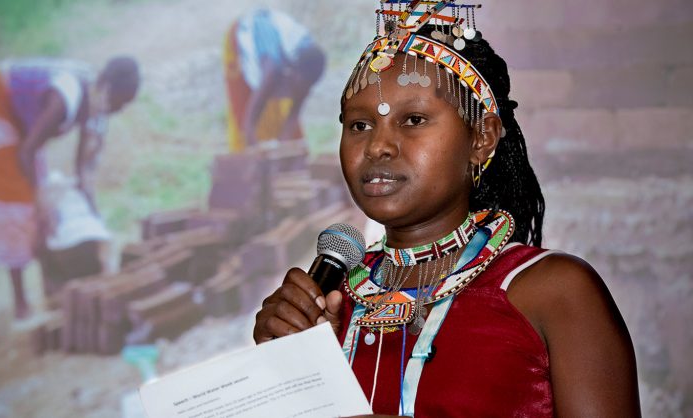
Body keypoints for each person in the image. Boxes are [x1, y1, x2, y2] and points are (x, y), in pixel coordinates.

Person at [253, 1, 640, 416]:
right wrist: (298, 372)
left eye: (414, 120)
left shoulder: (553, 291)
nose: (377, 146)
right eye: (359, 126)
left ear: (482, 139)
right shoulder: (329, 302)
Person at [0, 56, 140, 319]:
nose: (119, 111)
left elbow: (83, 170)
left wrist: (95, 219)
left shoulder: (99, 106)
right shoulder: (66, 97)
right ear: (108, 89)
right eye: (120, 103)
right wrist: (42, 204)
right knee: (18, 201)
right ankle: (21, 305)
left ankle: (51, 292)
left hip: (25, 128)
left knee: (40, 201)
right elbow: (26, 153)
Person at [223, 8, 325, 152]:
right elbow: (249, 122)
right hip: (241, 37)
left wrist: (282, 150)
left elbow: (293, 113)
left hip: (280, 54)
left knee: (292, 139)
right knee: (245, 120)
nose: (299, 91)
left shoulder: (308, 73)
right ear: (292, 73)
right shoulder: (271, 70)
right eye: (298, 86)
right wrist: (257, 154)